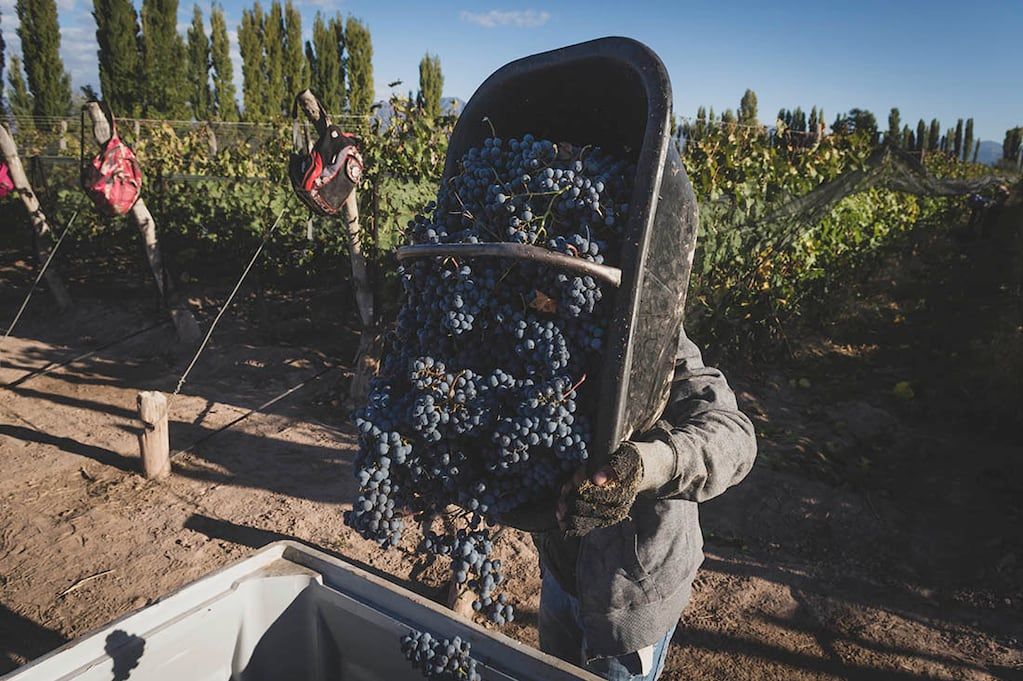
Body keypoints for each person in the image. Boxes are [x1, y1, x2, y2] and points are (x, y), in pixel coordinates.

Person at [534, 326, 757, 680]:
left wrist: (648, 465)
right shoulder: (531, 333)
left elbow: (734, 435)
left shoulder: (645, 326)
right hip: (558, 577)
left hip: (630, 601)